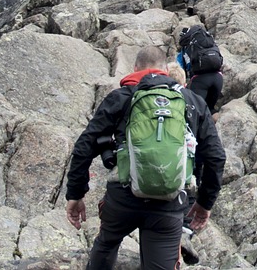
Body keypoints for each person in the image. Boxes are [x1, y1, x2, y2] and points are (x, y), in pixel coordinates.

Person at [65, 44, 226, 270]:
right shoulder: (191, 101)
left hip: (122, 198)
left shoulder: (122, 97)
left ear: (135, 68)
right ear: (165, 70)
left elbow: (84, 146)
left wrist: (75, 194)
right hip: (169, 203)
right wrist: (204, 203)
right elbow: (215, 156)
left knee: (107, 243)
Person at [177, 24, 224, 114]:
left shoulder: (186, 48)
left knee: (196, 112)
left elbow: (180, 69)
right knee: (210, 109)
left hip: (200, 80)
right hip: (218, 78)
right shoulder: (209, 42)